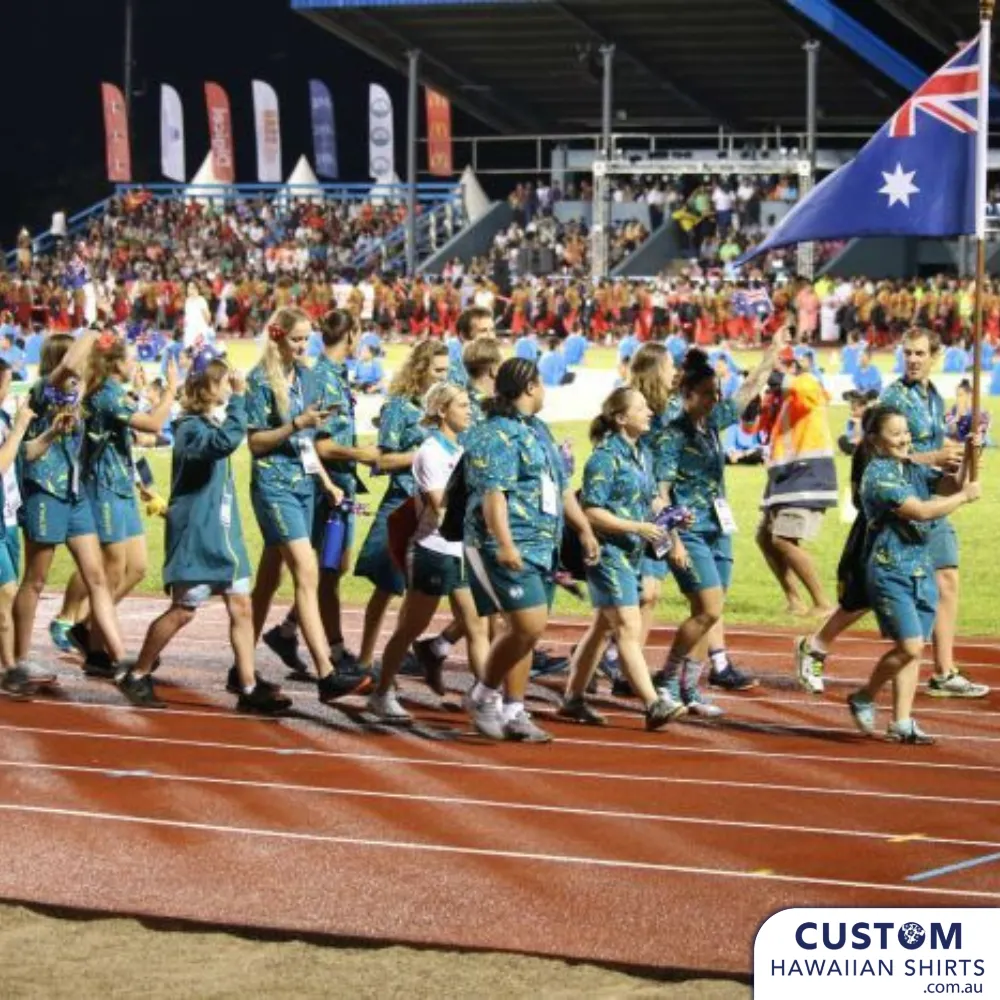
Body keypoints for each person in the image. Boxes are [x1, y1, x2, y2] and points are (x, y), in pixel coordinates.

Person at [795, 329, 989, 698]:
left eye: (919, 354)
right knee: (868, 593)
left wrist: (963, 449)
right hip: (897, 506)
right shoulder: (893, 399)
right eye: (907, 353)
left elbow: (928, 452)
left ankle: (944, 672)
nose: (912, 360)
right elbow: (873, 457)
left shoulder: (932, 397)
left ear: (936, 355)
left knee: (947, 579)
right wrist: (931, 458)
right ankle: (816, 644)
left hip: (930, 501)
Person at [117, 354, 291, 714]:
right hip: (198, 534)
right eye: (224, 380)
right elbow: (224, 444)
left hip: (225, 535)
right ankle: (138, 672)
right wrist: (240, 399)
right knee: (183, 610)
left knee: (241, 606)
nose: (231, 384)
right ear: (206, 388)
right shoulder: (189, 428)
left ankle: (248, 686)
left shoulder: (209, 422)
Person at [463, 358, 599, 742]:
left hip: (542, 548)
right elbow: (494, 495)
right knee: (527, 624)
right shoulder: (495, 434)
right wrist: (504, 543)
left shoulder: (538, 429)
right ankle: (482, 695)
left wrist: (584, 528)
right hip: (503, 544)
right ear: (529, 388)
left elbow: (560, 487)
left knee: (527, 632)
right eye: (541, 384)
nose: (545, 391)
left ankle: (514, 710)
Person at [654, 332, 789, 716]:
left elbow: (745, 393)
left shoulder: (710, 424)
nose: (716, 399)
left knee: (709, 610)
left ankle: (690, 689)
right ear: (689, 395)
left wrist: (769, 356)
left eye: (716, 392)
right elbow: (660, 493)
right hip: (690, 532)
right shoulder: (673, 436)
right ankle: (667, 681)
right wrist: (673, 539)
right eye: (709, 393)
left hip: (718, 529)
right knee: (707, 609)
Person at [245, 306, 364, 704]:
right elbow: (256, 443)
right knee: (308, 571)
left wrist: (327, 482)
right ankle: (327, 673)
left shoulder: (308, 378)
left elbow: (308, 442)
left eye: (306, 339)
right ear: (277, 335)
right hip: (273, 484)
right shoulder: (259, 380)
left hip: (304, 484)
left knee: (267, 582)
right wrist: (294, 424)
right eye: (296, 339)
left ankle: (240, 668)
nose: (302, 346)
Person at [848, 406, 981, 744]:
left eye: (906, 432)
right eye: (896, 434)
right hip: (890, 571)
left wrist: (969, 455)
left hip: (922, 569)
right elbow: (919, 511)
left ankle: (902, 723)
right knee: (908, 646)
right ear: (876, 441)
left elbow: (951, 485)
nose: (905, 439)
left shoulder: (910, 469)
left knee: (914, 649)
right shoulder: (878, 475)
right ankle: (864, 694)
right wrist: (965, 497)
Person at [10, 331, 133, 694]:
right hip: (44, 492)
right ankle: (19, 660)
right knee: (35, 579)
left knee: (96, 576)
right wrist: (93, 332)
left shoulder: (75, 396)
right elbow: (67, 365)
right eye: (82, 359)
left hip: (74, 494)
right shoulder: (43, 391)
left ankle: (121, 656)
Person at [50, 333, 178, 676]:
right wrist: (170, 391)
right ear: (116, 363)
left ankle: (88, 627)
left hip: (120, 485)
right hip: (103, 489)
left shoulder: (114, 393)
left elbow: (129, 439)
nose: (136, 362)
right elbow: (152, 424)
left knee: (136, 568)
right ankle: (95, 649)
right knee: (112, 568)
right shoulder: (105, 394)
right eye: (131, 356)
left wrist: (142, 484)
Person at [558, 388, 685, 730]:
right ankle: (653, 704)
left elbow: (648, 500)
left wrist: (672, 515)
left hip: (630, 553)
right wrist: (637, 527)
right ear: (620, 418)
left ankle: (572, 698)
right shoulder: (604, 458)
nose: (649, 413)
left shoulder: (641, 453)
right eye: (641, 408)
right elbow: (592, 510)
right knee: (628, 627)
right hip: (607, 554)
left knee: (602, 628)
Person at [368, 383, 489, 722]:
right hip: (432, 550)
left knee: (476, 625)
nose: (470, 411)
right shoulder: (431, 452)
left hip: (461, 548)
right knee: (410, 629)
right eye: (463, 405)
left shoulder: (463, 449)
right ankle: (381, 692)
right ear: (441, 410)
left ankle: (484, 699)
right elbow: (439, 507)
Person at [353, 340, 450, 671]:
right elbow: (383, 459)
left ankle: (399, 652)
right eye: (437, 370)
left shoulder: (441, 407)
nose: (443, 377)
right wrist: (423, 455)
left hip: (435, 508)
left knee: (419, 590)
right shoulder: (399, 406)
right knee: (386, 585)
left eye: (446, 371)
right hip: (403, 502)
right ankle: (365, 657)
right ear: (420, 369)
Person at [755, 345, 837, 617]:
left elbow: (806, 391)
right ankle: (794, 599)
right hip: (783, 477)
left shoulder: (808, 382)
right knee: (765, 538)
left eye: (781, 365)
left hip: (808, 474)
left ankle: (823, 603)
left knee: (782, 540)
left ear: (793, 367)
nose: (776, 372)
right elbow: (752, 430)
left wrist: (772, 374)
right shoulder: (780, 400)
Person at [0, 361, 34, 686]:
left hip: (8, 517)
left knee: (5, 595)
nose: (9, 390)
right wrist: (21, 426)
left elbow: (20, 454)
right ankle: (10, 669)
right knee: (6, 593)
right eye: (7, 383)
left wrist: (51, 434)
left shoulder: (2, 418)